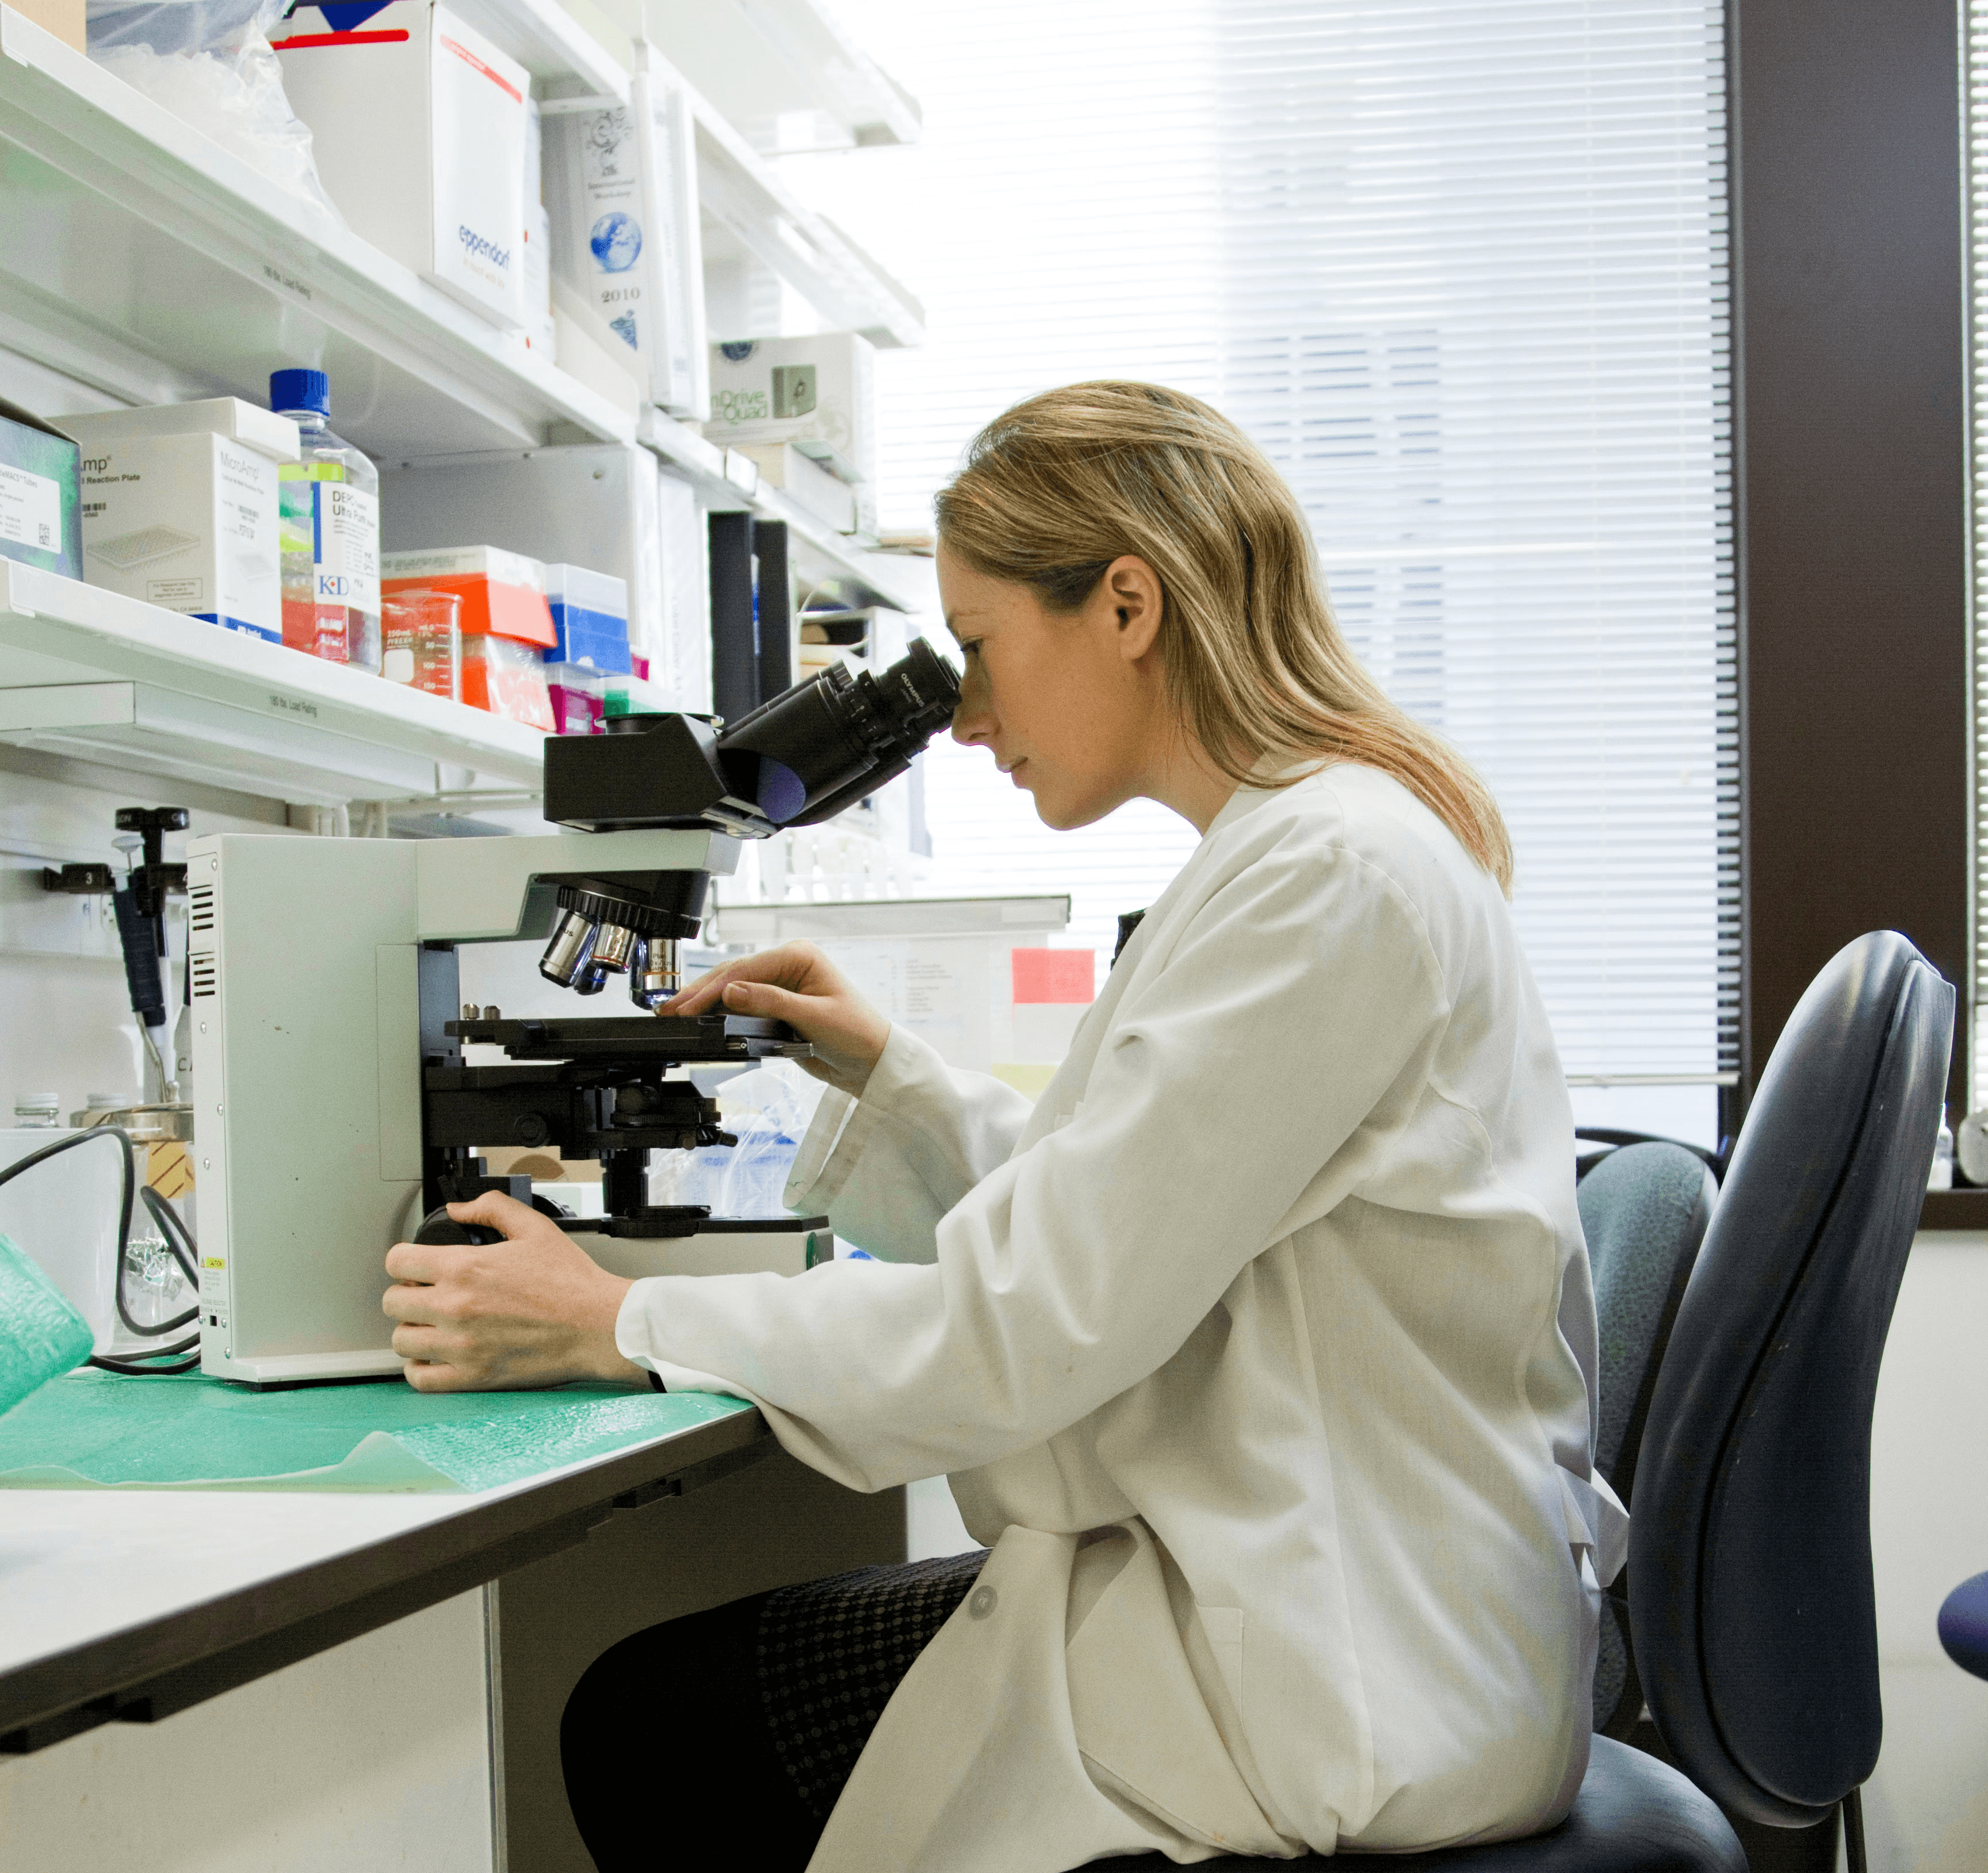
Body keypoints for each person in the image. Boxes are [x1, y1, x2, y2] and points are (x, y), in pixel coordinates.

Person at [381, 382, 1625, 1872]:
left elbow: (1022, 1330)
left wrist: (623, 1320)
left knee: (654, 1726)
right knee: (686, 1712)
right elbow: (1136, 1221)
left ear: (1124, 604)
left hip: (1336, 1664)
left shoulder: (1322, 882)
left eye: (977, 650)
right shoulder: (1306, 853)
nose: (967, 719)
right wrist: (890, 1076)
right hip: (1319, 1587)